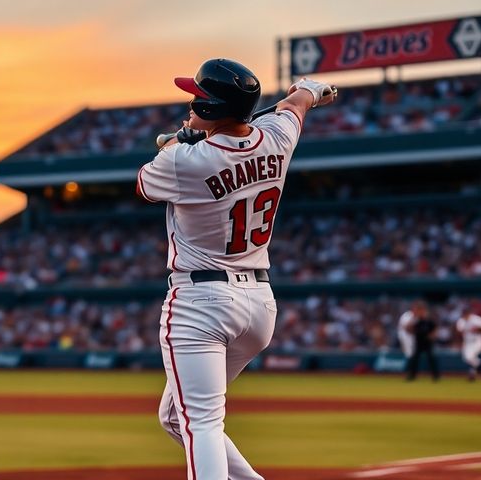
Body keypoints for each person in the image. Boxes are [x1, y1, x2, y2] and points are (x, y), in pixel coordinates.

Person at [138, 57, 336, 480]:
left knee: (203, 424)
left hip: (200, 301)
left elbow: (143, 183)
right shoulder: (277, 138)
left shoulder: (183, 161)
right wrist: (312, 90)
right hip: (259, 304)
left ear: (212, 109)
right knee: (176, 416)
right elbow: (296, 105)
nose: (191, 101)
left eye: (197, 97)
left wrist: (179, 142)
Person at [405, 301, 439, 382]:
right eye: (418, 310)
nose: (420, 312)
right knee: (415, 359)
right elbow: (408, 329)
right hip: (419, 342)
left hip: (427, 342)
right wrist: (413, 318)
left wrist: (432, 335)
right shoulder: (416, 320)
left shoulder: (428, 320)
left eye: (421, 310)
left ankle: (435, 376)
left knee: (431, 358)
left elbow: (435, 328)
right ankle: (412, 376)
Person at [456, 304, 481, 381]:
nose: (465, 314)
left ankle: (474, 372)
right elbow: (459, 332)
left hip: (477, 341)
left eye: (467, 312)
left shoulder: (476, 319)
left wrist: (478, 329)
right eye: (464, 312)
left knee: (469, 357)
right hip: (467, 342)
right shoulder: (461, 320)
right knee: (467, 358)